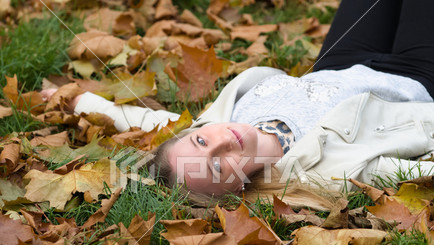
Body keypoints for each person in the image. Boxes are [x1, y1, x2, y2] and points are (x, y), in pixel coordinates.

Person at [43, 0, 434, 207]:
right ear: (238, 188)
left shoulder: (221, 120)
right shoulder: (321, 172)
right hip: (417, 76)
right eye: (217, 164)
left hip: (339, 58)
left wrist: (82, 101)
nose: (220, 142)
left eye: (200, 142)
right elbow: (407, 173)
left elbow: (152, 120)